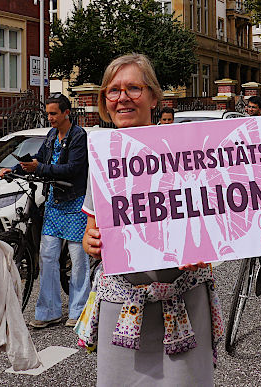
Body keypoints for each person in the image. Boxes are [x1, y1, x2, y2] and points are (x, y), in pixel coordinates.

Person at [81, 54, 222, 386]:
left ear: (155, 97)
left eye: (133, 87)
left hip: (184, 301)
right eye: (113, 90)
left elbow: (216, 223)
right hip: (123, 306)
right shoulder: (102, 154)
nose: (122, 97)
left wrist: (203, 246)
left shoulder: (187, 151)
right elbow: (92, 229)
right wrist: (91, 242)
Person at [0, 93, 90, 328]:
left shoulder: (78, 136)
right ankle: (49, 311)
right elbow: (40, 158)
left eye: (53, 113)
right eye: (48, 113)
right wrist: (15, 168)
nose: (49, 118)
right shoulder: (51, 135)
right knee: (48, 257)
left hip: (75, 203)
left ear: (66, 113)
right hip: (54, 203)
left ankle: (79, 310)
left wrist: (41, 167)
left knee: (78, 259)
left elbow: (74, 168)